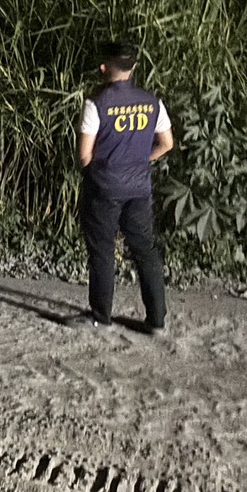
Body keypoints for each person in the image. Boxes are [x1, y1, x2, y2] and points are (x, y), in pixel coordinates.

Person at [71, 41, 174, 333]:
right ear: (134, 68)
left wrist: (100, 170)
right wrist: (141, 160)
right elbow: (167, 143)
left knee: (102, 251)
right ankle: (156, 321)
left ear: (105, 67)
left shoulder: (96, 104)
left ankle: (100, 316)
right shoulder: (153, 102)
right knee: (146, 251)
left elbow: (84, 155)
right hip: (139, 187)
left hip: (104, 188)